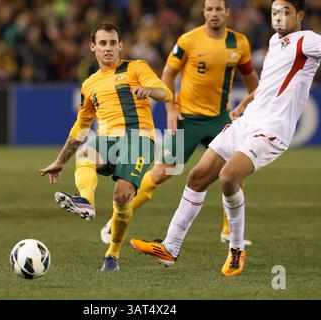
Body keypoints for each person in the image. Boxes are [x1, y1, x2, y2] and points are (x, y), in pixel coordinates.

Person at [129, 0, 321, 276]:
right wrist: (246, 102)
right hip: (247, 122)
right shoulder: (275, 41)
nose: (279, 17)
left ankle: (236, 250)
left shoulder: (306, 40)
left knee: (228, 177)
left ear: (300, 15)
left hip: (271, 130)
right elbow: (268, 84)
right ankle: (169, 248)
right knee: (196, 177)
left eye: (285, 12)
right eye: (275, 12)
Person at [100, 0, 259, 246]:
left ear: (227, 12)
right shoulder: (188, 40)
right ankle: (115, 218)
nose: (214, 13)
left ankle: (228, 231)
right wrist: (171, 107)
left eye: (219, 9)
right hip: (187, 118)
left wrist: (252, 106)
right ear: (204, 12)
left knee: (234, 169)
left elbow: (251, 80)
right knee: (163, 172)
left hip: (219, 119)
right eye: (210, 9)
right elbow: (168, 74)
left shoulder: (239, 43)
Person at [39, 23, 173, 272]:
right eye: (102, 43)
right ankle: (86, 201)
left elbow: (166, 93)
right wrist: (60, 160)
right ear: (93, 47)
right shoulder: (89, 84)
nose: (108, 48)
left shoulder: (136, 68)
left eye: (113, 43)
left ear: (120, 45)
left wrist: (150, 91)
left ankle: (112, 254)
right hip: (107, 139)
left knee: (122, 196)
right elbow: (81, 125)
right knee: (86, 153)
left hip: (139, 139)